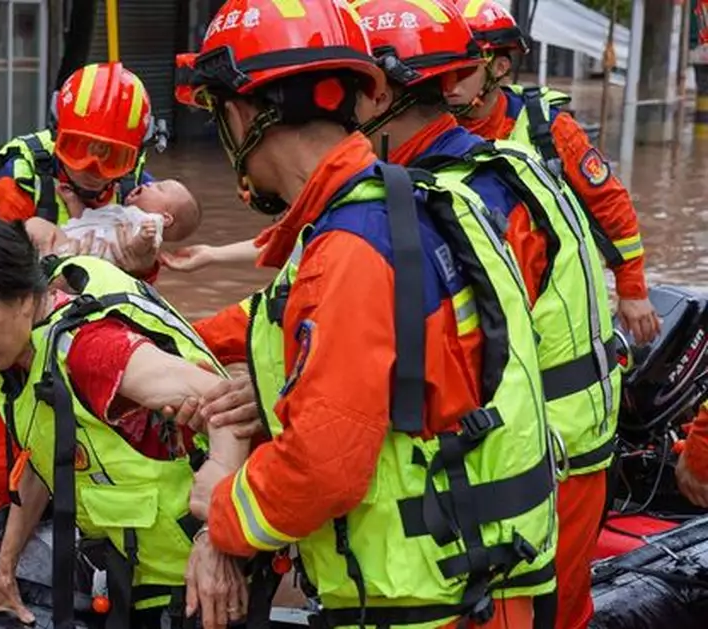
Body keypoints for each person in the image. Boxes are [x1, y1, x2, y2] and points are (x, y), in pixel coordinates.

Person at [178, 0, 556, 626]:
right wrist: (187, 341)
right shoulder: (398, 206)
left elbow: (322, 468)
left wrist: (222, 512)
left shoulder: (351, 247)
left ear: (243, 114)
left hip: (432, 601)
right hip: (478, 581)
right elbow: (293, 334)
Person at [342, 1, 620, 626]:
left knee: (550, 613)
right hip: (554, 441)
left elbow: (448, 348)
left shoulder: (474, 195)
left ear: (384, 93)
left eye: (349, 93)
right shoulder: (467, 173)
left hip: (555, 452)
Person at [0, 217, 251, 629]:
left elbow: (229, 408)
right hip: (134, 576)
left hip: (201, 586)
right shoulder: (10, 356)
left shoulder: (94, 352)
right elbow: (44, 457)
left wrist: (217, 539)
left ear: (23, 298)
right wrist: (3, 575)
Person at [0, 62, 166, 525]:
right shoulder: (23, 167)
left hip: (91, 346)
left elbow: (140, 285)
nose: (93, 170)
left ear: (135, 154)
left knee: (95, 466)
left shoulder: (137, 185)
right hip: (8, 349)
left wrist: (141, 258)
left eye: (109, 156)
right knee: (0, 472)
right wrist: (35, 238)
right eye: (78, 149)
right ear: (57, 132)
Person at [445, 0, 661, 346]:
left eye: (462, 69)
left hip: (548, 303)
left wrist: (632, 289)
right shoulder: (425, 127)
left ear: (499, 67)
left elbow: (610, 204)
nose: (448, 83)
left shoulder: (548, 129)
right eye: (443, 68)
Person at [24, 179, 202, 265]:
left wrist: (143, 239)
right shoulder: (120, 212)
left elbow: (136, 250)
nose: (150, 184)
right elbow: (86, 220)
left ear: (166, 218)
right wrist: (72, 201)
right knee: (35, 227)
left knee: (34, 227)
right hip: (73, 245)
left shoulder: (148, 223)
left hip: (75, 253)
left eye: (159, 187)